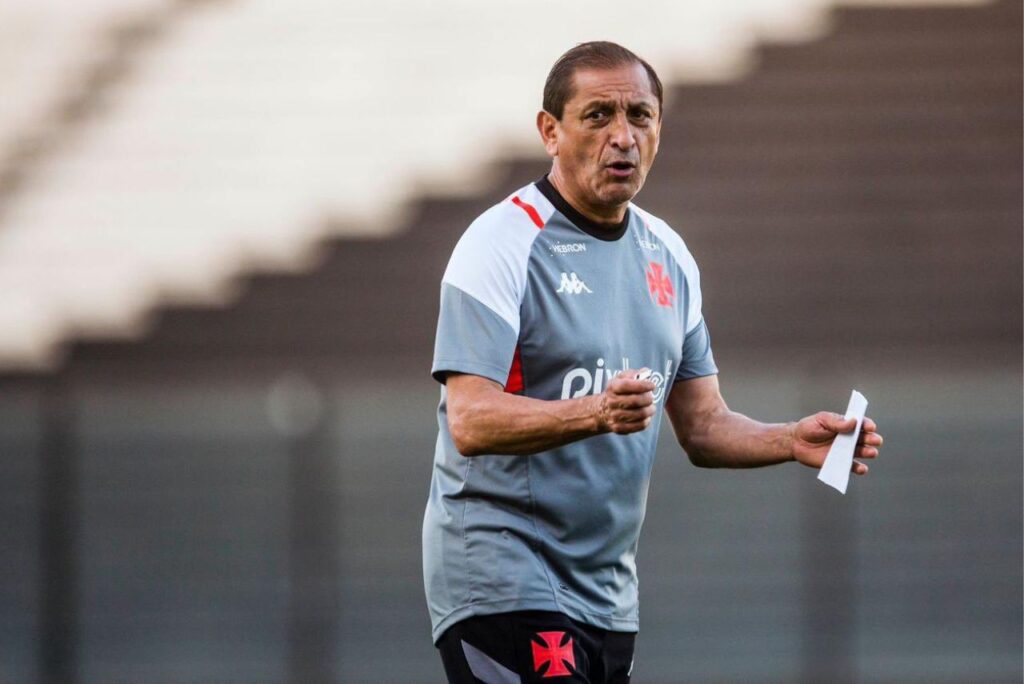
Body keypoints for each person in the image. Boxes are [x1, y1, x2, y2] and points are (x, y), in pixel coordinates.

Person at [422, 41, 883, 683]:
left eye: (640, 116)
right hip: (503, 572)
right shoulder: (499, 244)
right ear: (550, 131)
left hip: (608, 593)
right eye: (598, 116)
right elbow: (469, 420)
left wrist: (789, 438)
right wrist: (597, 411)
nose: (623, 137)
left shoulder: (668, 255)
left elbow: (702, 425)